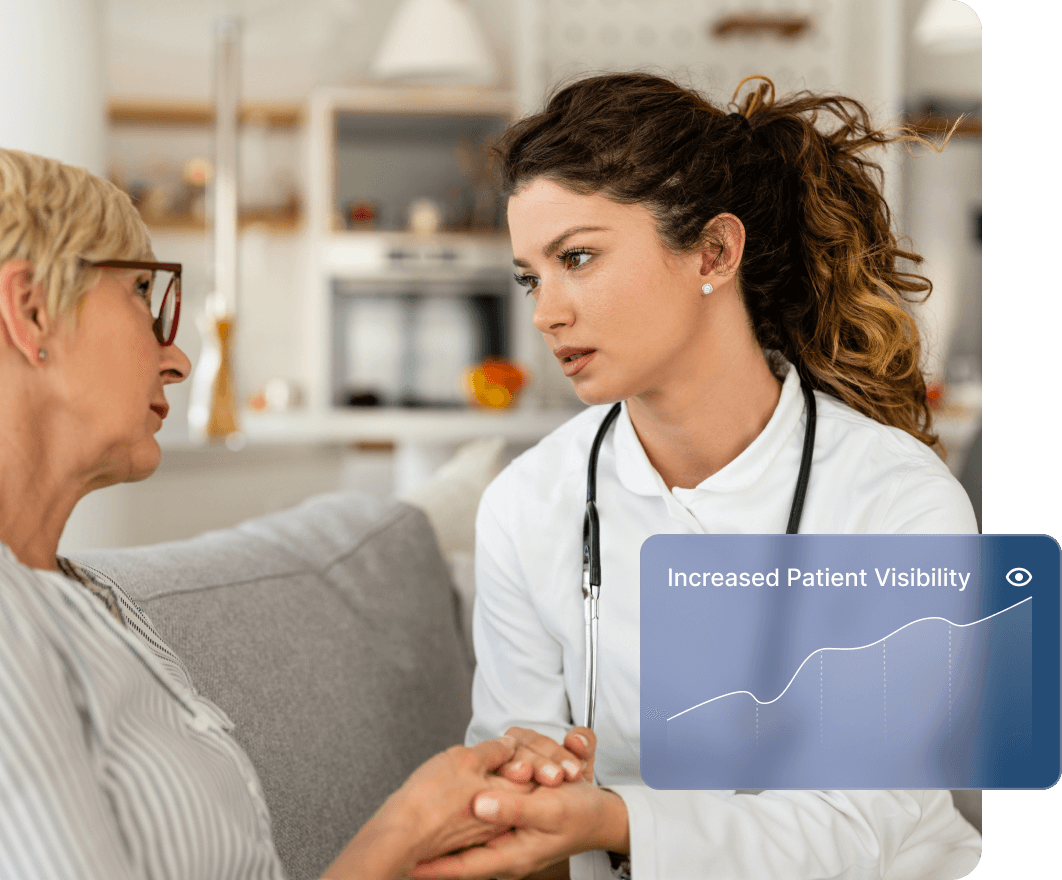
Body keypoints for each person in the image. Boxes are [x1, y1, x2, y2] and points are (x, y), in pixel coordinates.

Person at [0, 143, 596, 880]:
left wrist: (430, 838)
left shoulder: (59, 596)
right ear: (30, 310)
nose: (178, 358)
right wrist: (400, 830)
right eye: (143, 296)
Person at [414, 74, 984, 879]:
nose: (544, 311)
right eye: (531, 275)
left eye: (578, 257)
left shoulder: (896, 499)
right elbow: (511, 786)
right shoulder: (526, 504)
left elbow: (860, 827)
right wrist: (519, 808)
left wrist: (609, 818)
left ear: (714, 251)